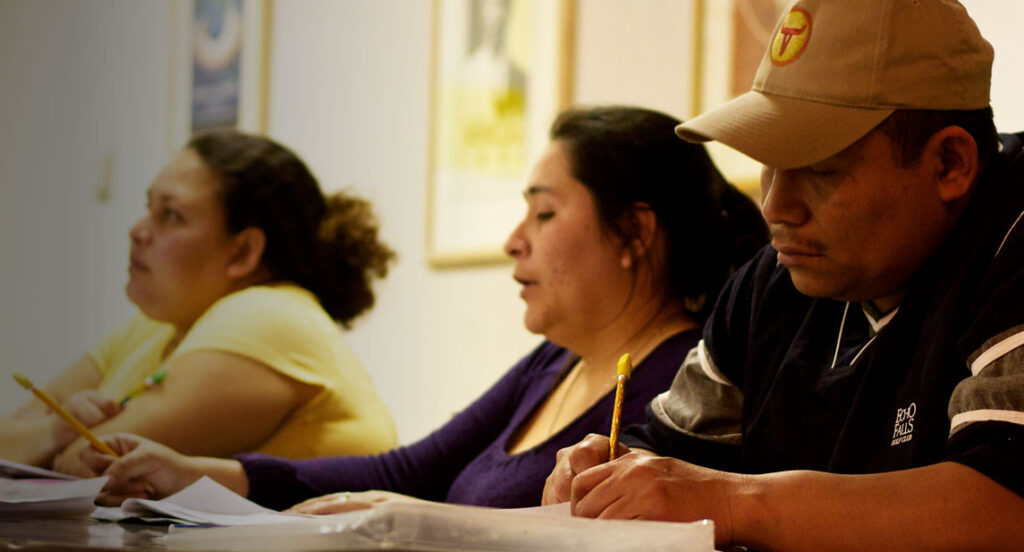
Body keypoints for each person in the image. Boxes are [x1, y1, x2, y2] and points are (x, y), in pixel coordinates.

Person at [78, 106, 768, 511]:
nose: (512, 241)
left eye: (546, 213)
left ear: (635, 232)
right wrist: (200, 473)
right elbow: (407, 473)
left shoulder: (679, 387)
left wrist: (409, 521)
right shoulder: (555, 362)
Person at [543, 1, 1024, 551]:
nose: (775, 206)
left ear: (950, 165)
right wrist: (619, 475)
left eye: (821, 170)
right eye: (770, 164)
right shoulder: (774, 279)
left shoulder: (1013, 243)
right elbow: (674, 457)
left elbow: (1006, 505)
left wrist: (729, 502)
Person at [1, 129, 398, 476]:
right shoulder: (157, 324)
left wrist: (47, 438)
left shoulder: (271, 314)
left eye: (171, 215)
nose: (137, 230)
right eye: (148, 207)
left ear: (244, 252)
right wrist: (53, 431)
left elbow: (86, 465)